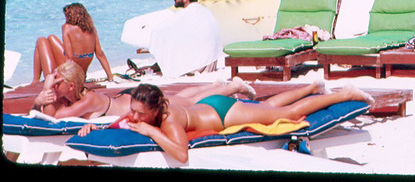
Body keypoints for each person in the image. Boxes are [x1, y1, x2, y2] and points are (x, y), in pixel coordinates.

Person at [78, 81, 374, 163]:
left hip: (224, 114)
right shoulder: (145, 111)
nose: (135, 117)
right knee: (267, 106)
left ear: (155, 111)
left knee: (286, 115)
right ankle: (311, 87)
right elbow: (121, 121)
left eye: (142, 114)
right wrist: (97, 127)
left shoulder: (167, 121)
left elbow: (181, 154)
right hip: (207, 106)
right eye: (134, 112)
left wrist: (148, 131)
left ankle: (343, 92)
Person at [31, 61, 255, 120]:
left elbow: (54, 117)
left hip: (133, 101)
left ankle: (234, 86)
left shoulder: (86, 100)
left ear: (71, 86)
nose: (54, 84)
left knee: (189, 104)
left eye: (57, 82)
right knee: (178, 97)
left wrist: (45, 89)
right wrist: (41, 98)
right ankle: (217, 85)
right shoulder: (75, 96)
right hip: (128, 97)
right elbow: (44, 113)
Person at [147, 0, 223, 78]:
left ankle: (153, 69)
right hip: (210, 62)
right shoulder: (203, 11)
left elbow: (157, 31)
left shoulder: (187, 14)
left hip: (200, 65)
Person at [32, 3, 113, 84]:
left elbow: (69, 57)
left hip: (69, 76)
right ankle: (38, 80)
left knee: (41, 40)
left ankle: (36, 81)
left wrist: (60, 76)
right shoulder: (92, 29)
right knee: (51, 37)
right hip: (81, 77)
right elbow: (100, 54)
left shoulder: (66, 27)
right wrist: (110, 76)